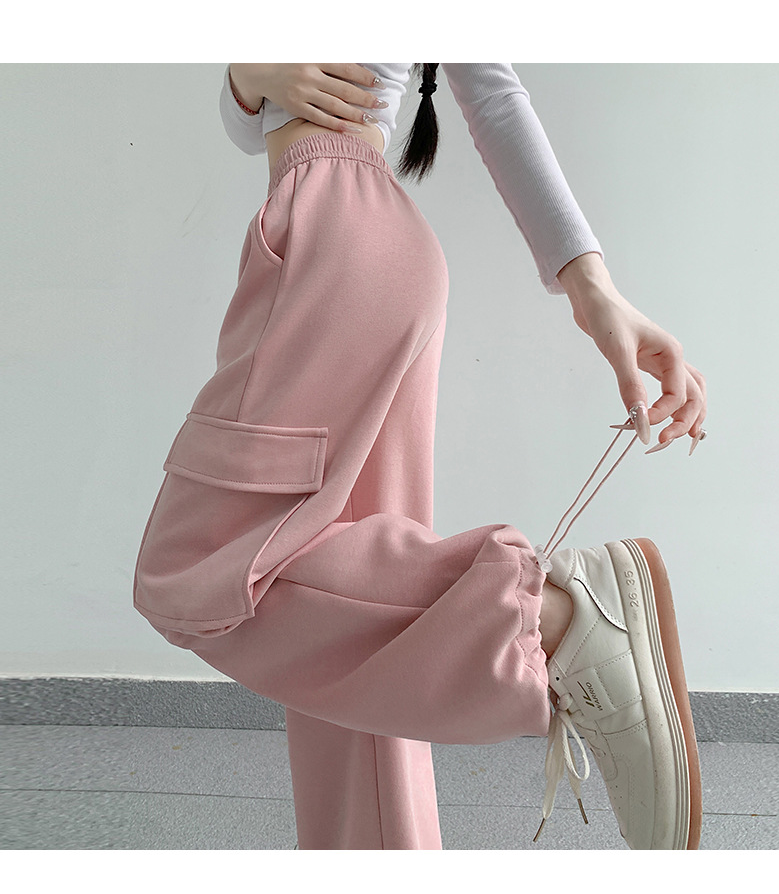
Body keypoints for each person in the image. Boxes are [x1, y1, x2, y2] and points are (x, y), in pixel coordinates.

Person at [133, 63, 708, 850]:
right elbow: (255, 120)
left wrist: (596, 290)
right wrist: (250, 74)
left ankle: (558, 618)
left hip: (333, 236)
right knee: (359, 659)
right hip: (361, 241)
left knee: (192, 564)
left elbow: (492, 93)